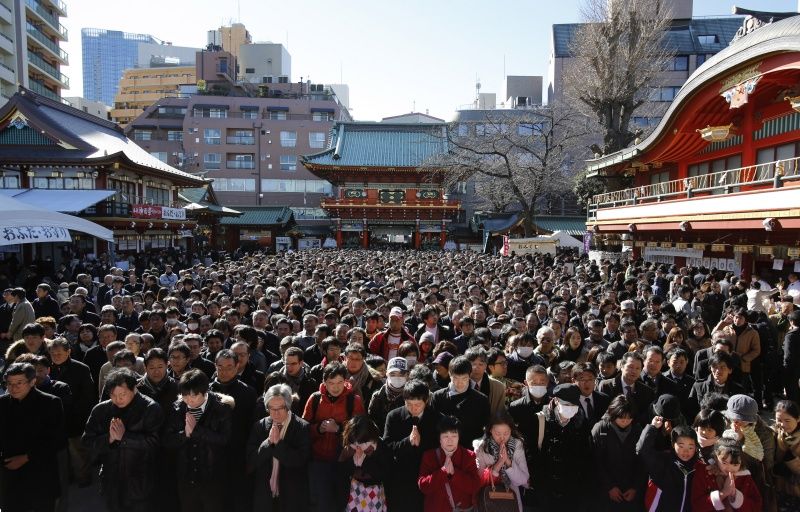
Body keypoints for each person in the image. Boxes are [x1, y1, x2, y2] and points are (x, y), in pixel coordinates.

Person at [82, 367, 164, 512]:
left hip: (140, 480)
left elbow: (155, 443)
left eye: (122, 394)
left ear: (134, 389)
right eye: (113, 395)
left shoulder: (150, 408)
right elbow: (87, 442)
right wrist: (109, 438)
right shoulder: (101, 410)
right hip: (111, 479)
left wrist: (124, 438)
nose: (118, 399)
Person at [163, 369, 233, 512]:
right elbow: (167, 440)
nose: (189, 400)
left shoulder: (221, 408)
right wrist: (184, 434)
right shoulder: (177, 408)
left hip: (212, 477)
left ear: (204, 392)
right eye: (185, 396)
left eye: (194, 396)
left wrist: (197, 431)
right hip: (186, 477)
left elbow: (225, 439)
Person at [0, 362, 64, 512]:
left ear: (32, 381)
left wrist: (26, 457)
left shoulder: (50, 402)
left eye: (19, 383)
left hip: (41, 472)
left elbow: (57, 439)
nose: (13, 388)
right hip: (9, 473)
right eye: (9, 383)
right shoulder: (2, 403)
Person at [302, 361, 366, 512]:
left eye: (339, 382)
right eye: (331, 383)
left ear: (345, 381)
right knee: (320, 502)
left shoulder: (354, 400)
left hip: (343, 460)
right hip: (318, 460)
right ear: (324, 382)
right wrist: (319, 428)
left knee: (341, 501)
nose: (336, 387)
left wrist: (339, 429)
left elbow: (361, 431)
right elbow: (303, 428)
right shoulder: (315, 399)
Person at [526, 383, 593, 510]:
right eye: (566, 405)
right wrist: (538, 481)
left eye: (574, 405)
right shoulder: (540, 420)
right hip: (546, 488)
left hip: (572, 489)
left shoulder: (581, 422)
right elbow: (531, 454)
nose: (570, 409)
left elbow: (586, 453)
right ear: (556, 401)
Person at [248, 383, 311, 511]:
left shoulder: (302, 427)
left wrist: (278, 444)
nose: (276, 413)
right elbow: (251, 459)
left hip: (291, 496)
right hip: (265, 495)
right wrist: (268, 443)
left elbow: (301, 460)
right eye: (271, 408)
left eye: (280, 408)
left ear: (288, 406)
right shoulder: (259, 426)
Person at [383, 379, 443, 511]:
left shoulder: (437, 418)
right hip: (400, 477)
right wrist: (408, 442)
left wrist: (421, 443)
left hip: (427, 476)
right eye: (409, 404)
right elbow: (387, 447)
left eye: (418, 404)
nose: (413, 408)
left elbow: (441, 448)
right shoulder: (393, 416)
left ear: (426, 401)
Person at [47, 336, 97, 488]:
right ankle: (66, 476)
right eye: (53, 354)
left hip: (75, 417)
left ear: (68, 352)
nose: (56, 356)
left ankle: (83, 477)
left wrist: (76, 413)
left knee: (78, 451)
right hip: (54, 419)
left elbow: (87, 395)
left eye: (59, 353)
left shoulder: (81, 368)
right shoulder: (47, 369)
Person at [591, 395, 646, 512]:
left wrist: (635, 487)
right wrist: (609, 487)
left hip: (630, 492)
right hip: (606, 493)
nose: (625, 422)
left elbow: (641, 462)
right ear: (614, 414)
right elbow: (595, 461)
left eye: (629, 418)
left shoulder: (637, 430)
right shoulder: (601, 429)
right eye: (622, 418)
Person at [418, 415, 481, 512]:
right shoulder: (429, 456)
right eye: (445, 436)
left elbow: (475, 486)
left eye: (454, 436)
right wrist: (442, 472)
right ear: (439, 438)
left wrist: (455, 474)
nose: (450, 440)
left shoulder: (469, 456)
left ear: (459, 437)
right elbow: (423, 486)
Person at [473, 412, 530, 512]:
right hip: (488, 500)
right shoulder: (481, 447)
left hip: (511, 500)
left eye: (506, 433)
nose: (502, 437)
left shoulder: (517, 444)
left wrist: (508, 461)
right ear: (490, 430)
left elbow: (523, 480)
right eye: (498, 433)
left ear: (511, 430)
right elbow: (478, 480)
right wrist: (499, 463)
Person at [429, 355, 490, 447]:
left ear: (469, 376)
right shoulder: (438, 397)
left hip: (471, 449)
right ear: (450, 375)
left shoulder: (481, 400)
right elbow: (432, 424)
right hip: (443, 448)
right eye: (455, 378)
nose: (460, 383)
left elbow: (486, 427)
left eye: (464, 378)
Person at [637, 420, 698, 512]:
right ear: (673, 444)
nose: (686, 451)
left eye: (690, 447)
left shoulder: (697, 467)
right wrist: (652, 427)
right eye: (681, 446)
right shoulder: (663, 461)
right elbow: (643, 450)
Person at [336, 415, 391, 511]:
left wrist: (364, 462)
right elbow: (340, 471)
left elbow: (385, 473)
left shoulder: (380, 447)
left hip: (375, 496)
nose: (358, 447)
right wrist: (353, 460)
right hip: (351, 495)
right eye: (354, 444)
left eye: (362, 444)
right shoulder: (349, 447)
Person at [690, 438, 762, 512]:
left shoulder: (745, 478)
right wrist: (723, 493)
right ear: (716, 457)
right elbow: (697, 506)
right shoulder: (706, 473)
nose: (729, 468)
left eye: (735, 464)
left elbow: (756, 507)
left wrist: (735, 495)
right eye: (724, 463)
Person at [773, 400, 800, 511]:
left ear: (798, 419)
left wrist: (791, 461)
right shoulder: (777, 432)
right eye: (779, 420)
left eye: (787, 420)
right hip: (781, 484)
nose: (783, 424)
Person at [368, 356, 407, 428]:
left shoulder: (411, 395)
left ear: (407, 375)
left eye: (401, 374)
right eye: (392, 374)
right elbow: (372, 421)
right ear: (386, 374)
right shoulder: (378, 396)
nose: (397, 378)